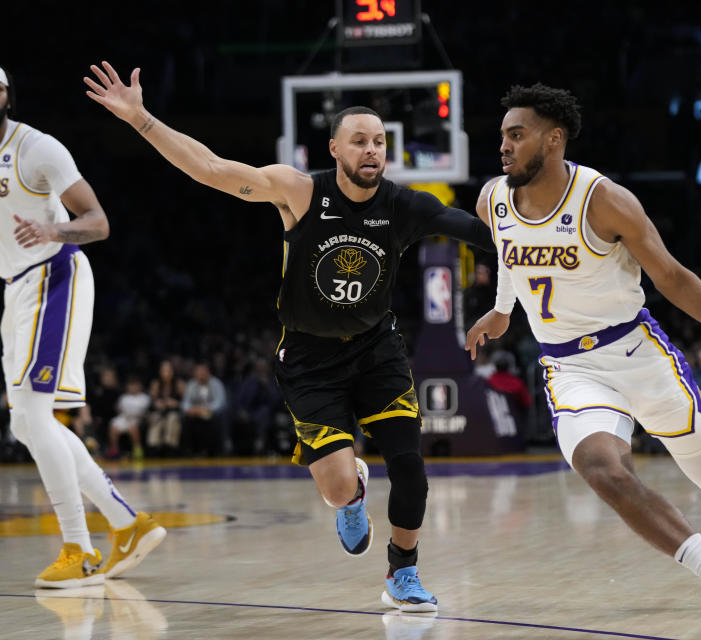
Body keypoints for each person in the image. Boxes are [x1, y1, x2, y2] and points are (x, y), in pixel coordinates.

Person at [84, 60, 495, 612]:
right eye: (359, 141)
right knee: (335, 486)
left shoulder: (403, 204)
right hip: (309, 361)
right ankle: (352, 494)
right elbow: (210, 168)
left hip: (377, 351)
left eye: (378, 142)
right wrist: (141, 119)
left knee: (410, 465)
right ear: (334, 150)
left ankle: (402, 573)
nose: (371, 150)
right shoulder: (298, 192)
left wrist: (533, 224)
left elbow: (481, 234)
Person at [465, 84, 701, 640]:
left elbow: (672, 277)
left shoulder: (604, 200)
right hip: (569, 367)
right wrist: (500, 311)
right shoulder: (492, 198)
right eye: (503, 135)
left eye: (516, 135)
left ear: (554, 138)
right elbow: (505, 253)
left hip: (638, 353)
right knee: (602, 471)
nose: (504, 145)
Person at [0, 63, 165, 588]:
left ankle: (79, 549)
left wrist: (53, 227)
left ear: (9, 98)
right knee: (23, 423)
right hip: (14, 288)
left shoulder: (39, 148)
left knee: (36, 418)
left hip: (54, 274)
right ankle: (127, 524)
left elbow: (99, 223)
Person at [180, 363, 227, 457]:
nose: (201, 374)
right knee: (186, 420)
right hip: (195, 414)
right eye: (199, 372)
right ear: (195, 374)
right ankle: (190, 451)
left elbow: (220, 402)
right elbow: (185, 402)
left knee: (212, 420)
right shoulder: (192, 384)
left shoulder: (216, 383)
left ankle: (211, 451)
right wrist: (191, 409)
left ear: (208, 373)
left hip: (212, 413)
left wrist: (205, 409)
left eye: (203, 372)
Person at [146, 359, 184, 457]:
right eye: (164, 370)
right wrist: (157, 403)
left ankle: (170, 448)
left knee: (172, 418)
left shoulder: (179, 384)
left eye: (169, 370)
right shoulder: (156, 384)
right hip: (159, 412)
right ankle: (153, 447)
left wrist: (175, 403)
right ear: (160, 372)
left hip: (174, 412)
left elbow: (184, 402)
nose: (166, 373)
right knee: (155, 418)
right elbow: (152, 402)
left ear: (173, 371)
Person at [107, 377, 151, 460]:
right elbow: (120, 409)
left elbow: (144, 412)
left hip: (137, 419)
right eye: (131, 385)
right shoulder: (124, 397)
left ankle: (137, 449)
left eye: (135, 385)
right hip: (124, 418)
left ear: (139, 386)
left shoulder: (144, 397)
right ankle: (114, 450)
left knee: (132, 427)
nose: (133, 387)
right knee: (113, 425)